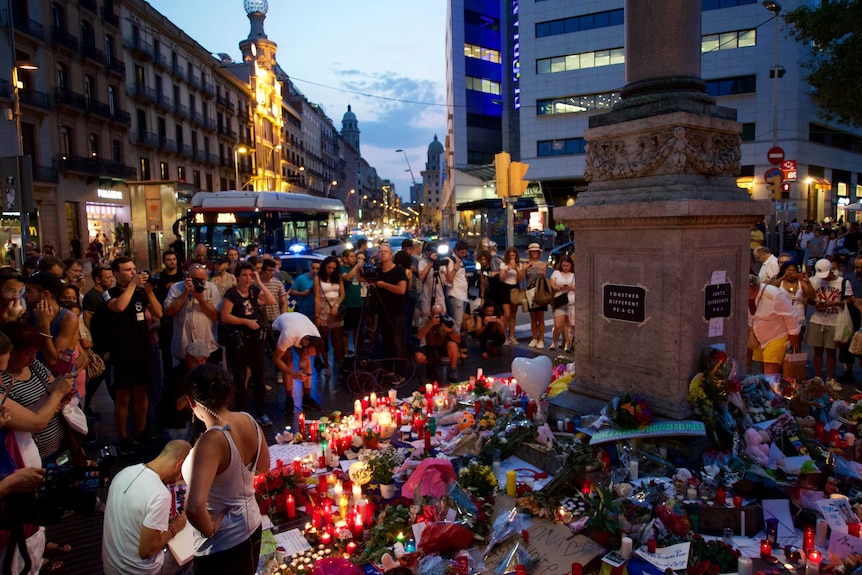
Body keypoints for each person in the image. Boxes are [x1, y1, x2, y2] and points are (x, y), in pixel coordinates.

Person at [181, 364, 269, 575]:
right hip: (253, 526)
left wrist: (210, 529)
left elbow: (193, 508)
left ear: (192, 402)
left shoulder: (210, 441)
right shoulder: (249, 420)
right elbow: (264, 466)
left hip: (223, 543)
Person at [101, 440, 191, 575]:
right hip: (137, 571)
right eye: (182, 473)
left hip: (111, 566)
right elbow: (146, 551)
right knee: (193, 553)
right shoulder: (160, 494)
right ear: (179, 465)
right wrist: (174, 528)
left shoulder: (124, 472)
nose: (179, 479)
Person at [104, 257, 164, 454]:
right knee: (123, 397)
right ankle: (122, 436)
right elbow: (119, 306)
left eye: (133, 269)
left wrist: (148, 291)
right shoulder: (108, 293)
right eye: (127, 270)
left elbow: (158, 312)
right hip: (122, 353)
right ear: (116, 273)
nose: (132, 272)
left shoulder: (139, 292)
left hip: (142, 351)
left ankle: (141, 431)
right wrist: (132, 285)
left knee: (141, 393)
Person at [220, 262, 276, 426]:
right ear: (237, 276)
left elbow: (271, 300)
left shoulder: (254, 290)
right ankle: (243, 413)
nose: (247, 279)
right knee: (240, 377)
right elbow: (225, 316)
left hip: (255, 340)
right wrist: (245, 321)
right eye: (244, 275)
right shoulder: (231, 294)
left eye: (250, 275)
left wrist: (259, 282)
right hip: (238, 340)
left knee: (259, 376)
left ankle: (261, 412)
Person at [164, 263, 222, 366]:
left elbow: (216, 316)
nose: (200, 283)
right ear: (188, 277)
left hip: (208, 348)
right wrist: (185, 293)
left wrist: (200, 298)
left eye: (203, 280)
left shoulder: (212, 289)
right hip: (183, 349)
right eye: (196, 279)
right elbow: (169, 312)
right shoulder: (176, 288)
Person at [807, 258, 851, 392]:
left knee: (831, 351)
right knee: (817, 350)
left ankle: (830, 378)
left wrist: (835, 304)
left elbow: (849, 299)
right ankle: (818, 377)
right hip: (817, 319)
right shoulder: (814, 280)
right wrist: (816, 303)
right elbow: (809, 299)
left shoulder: (842, 282)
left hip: (834, 320)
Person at [22, 272, 79, 374]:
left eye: (29, 291)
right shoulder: (29, 316)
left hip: (60, 385)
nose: (24, 296)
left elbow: (53, 362)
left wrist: (44, 327)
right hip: (36, 383)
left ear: (45, 294)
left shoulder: (68, 319)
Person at [749, 276, 801, 386]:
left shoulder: (773, 294)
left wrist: (793, 334)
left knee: (770, 368)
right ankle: (765, 393)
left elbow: (791, 314)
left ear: (754, 287)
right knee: (762, 366)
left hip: (777, 335)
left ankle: (773, 396)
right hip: (758, 336)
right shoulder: (742, 294)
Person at [271, 312, 324, 413]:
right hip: (280, 328)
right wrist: (293, 374)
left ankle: (307, 398)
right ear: (305, 343)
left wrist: (301, 370)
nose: (308, 355)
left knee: (307, 362)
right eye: (308, 352)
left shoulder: (315, 336)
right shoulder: (288, 336)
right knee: (288, 362)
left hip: (299, 324)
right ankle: (289, 399)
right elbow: (276, 359)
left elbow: (305, 357)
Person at [373, 243, 408, 373]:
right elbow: (362, 279)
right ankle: (387, 370)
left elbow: (401, 290)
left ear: (391, 254)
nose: (382, 253)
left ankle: (399, 372)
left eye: (385, 251)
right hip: (383, 311)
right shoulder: (377, 271)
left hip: (397, 311)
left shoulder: (398, 270)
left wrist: (384, 285)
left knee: (398, 343)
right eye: (380, 251)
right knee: (386, 342)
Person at [154, 250, 184, 379]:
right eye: (168, 259)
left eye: (173, 259)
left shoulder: (183, 277)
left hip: (180, 317)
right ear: (164, 261)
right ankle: (168, 379)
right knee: (166, 351)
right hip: (165, 319)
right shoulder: (159, 278)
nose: (171, 261)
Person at [414, 303, 461, 383]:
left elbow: (459, 339)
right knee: (418, 357)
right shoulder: (426, 320)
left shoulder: (449, 320)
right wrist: (430, 324)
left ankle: (453, 370)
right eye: (437, 315)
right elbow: (419, 336)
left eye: (441, 314)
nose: (439, 317)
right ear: (431, 313)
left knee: (453, 345)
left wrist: (450, 331)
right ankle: (431, 364)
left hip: (444, 346)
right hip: (430, 346)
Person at [314, 256, 344, 377]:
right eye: (329, 267)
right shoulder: (318, 278)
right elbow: (316, 298)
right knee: (324, 338)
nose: (331, 270)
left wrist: (336, 305)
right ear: (324, 266)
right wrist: (317, 316)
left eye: (333, 268)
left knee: (337, 337)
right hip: (323, 308)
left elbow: (342, 294)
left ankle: (339, 362)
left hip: (334, 308)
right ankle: (326, 365)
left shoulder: (338, 277)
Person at [523, 243, 548, 348]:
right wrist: (525, 268)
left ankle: (541, 339)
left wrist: (542, 271)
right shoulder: (526, 264)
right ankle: (534, 338)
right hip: (530, 291)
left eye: (536, 252)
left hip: (540, 291)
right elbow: (522, 278)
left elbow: (544, 276)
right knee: (533, 317)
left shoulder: (542, 264)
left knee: (540, 317)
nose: (534, 253)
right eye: (533, 251)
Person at [443, 240, 470, 337]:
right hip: (455, 295)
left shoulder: (461, 261)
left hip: (462, 296)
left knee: (459, 322)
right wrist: (455, 268)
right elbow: (449, 279)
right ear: (456, 250)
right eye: (462, 252)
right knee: (456, 322)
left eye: (465, 252)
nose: (464, 254)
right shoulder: (451, 261)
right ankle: (455, 345)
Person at [339, 249, 364, 354]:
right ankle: (345, 354)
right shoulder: (342, 268)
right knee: (345, 332)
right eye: (352, 257)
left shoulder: (358, 269)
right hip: (347, 305)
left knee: (357, 332)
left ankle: (358, 353)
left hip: (358, 304)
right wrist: (357, 266)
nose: (354, 259)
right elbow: (347, 278)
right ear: (345, 258)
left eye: (355, 257)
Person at [549, 254, 575, 352]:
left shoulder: (574, 275)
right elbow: (552, 284)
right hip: (560, 300)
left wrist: (571, 287)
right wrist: (558, 287)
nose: (565, 268)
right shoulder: (556, 273)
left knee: (569, 325)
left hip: (571, 301)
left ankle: (567, 344)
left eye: (567, 266)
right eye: (564, 265)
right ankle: (554, 342)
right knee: (558, 325)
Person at [499, 247, 521, 345]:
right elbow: (501, 279)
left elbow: (520, 279)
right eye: (510, 255)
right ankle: (503, 335)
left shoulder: (519, 265)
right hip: (505, 288)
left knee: (513, 314)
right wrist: (507, 269)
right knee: (507, 314)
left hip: (515, 288)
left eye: (514, 255)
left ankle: (512, 335)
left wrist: (516, 268)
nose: (512, 257)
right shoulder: (503, 264)